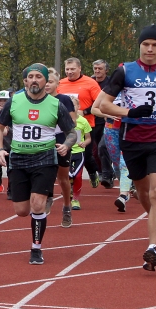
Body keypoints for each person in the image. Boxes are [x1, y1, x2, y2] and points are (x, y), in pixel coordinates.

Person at [94, 24, 156, 271]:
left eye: (155, 45)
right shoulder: (125, 71)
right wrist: (131, 112)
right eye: (145, 44)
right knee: (142, 191)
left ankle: (153, 246)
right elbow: (103, 106)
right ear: (139, 46)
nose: (150, 49)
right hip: (132, 139)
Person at [0, 64, 77, 265]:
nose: (34, 80)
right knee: (21, 210)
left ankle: (36, 248)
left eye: (39, 76)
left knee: (38, 205)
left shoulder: (56, 105)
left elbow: (72, 132)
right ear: (25, 81)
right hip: (19, 158)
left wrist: (66, 145)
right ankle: (37, 211)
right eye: (30, 76)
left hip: (45, 158)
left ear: (45, 82)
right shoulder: (14, 101)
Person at [55, 57, 101, 186]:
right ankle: (70, 182)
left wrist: (84, 112)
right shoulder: (61, 83)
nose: (69, 72)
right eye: (67, 69)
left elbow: (100, 103)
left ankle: (92, 172)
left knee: (85, 154)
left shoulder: (90, 83)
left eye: (73, 69)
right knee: (66, 154)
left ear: (80, 68)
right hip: (64, 126)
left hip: (85, 124)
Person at [46, 68, 78, 220]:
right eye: (45, 81)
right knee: (45, 173)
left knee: (63, 177)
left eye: (50, 82)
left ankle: (66, 205)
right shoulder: (36, 99)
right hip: (43, 140)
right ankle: (48, 196)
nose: (47, 84)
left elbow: (73, 122)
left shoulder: (64, 99)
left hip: (60, 139)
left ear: (57, 83)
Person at [68, 99, 93, 217]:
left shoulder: (83, 121)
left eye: (74, 105)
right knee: (68, 175)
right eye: (70, 105)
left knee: (77, 176)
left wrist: (85, 143)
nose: (72, 107)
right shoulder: (64, 120)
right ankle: (69, 191)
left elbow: (88, 138)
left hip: (79, 152)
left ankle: (75, 199)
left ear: (79, 106)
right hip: (66, 152)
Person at [91, 59, 113, 187]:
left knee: (103, 147)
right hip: (92, 120)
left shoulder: (111, 82)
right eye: (95, 68)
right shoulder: (90, 82)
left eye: (100, 68)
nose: (97, 71)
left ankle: (107, 175)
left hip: (106, 120)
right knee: (95, 151)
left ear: (106, 70)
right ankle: (102, 171)